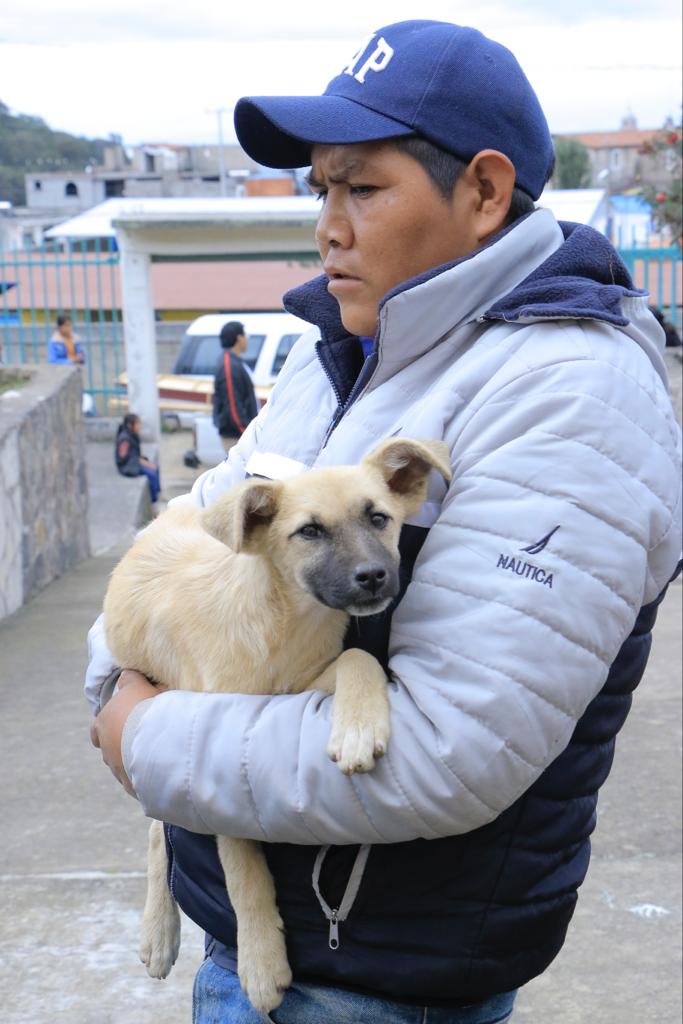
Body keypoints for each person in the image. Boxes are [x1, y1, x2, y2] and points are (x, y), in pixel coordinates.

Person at [87, 20, 682, 1024]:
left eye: (361, 189)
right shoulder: (343, 359)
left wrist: (140, 731)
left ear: (484, 193)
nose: (327, 226)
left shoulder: (569, 393)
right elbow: (192, 549)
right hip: (259, 948)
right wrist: (118, 665)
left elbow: (446, 750)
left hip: (368, 983)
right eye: (320, 189)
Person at [212, 320, 258, 451]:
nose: (247, 340)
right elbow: (232, 404)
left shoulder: (234, 361)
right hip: (236, 436)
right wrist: (246, 433)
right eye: (245, 336)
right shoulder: (229, 365)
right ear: (239, 338)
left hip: (241, 434)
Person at [114, 413, 161, 504]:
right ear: (130, 425)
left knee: (156, 468)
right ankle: (154, 500)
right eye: (138, 423)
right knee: (152, 474)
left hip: (133, 462)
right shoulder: (125, 439)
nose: (140, 426)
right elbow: (125, 458)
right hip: (128, 467)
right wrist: (146, 464)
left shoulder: (131, 435)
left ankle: (157, 494)